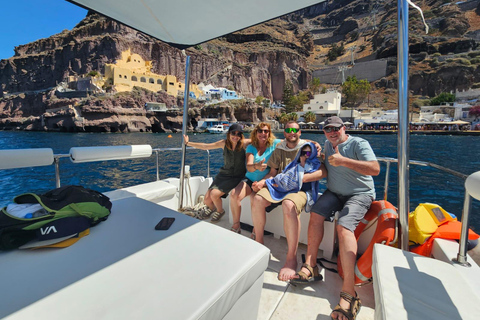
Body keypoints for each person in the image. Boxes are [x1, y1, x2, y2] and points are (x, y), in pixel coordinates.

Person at [291, 116, 380, 320]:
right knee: (315, 214)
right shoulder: (327, 145)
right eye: (327, 130)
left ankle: (350, 292)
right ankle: (311, 266)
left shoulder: (358, 143)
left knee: (344, 227)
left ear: (343, 128)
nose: (332, 132)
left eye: (335, 129)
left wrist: (344, 161)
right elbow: (323, 163)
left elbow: (375, 169)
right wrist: (315, 151)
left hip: (359, 193)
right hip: (334, 193)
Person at [250, 121, 324, 281]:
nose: (292, 132)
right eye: (288, 130)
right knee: (257, 198)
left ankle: (291, 257)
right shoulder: (279, 149)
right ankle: (259, 241)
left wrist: (299, 179)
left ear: (300, 132)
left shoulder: (308, 148)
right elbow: (272, 173)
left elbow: (321, 171)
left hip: (300, 189)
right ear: (284, 133)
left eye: (295, 130)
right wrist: (262, 182)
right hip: (279, 186)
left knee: (288, 204)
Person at [184, 123, 247, 223]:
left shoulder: (244, 144)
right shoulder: (224, 143)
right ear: (229, 133)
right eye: (233, 133)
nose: (236, 136)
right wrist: (188, 143)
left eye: (238, 134)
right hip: (223, 175)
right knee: (207, 200)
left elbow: (262, 140)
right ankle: (212, 208)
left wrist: (280, 141)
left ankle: (220, 211)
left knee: (214, 194)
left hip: (236, 176)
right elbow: (206, 146)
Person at [229, 122, 281, 233]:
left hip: (265, 181)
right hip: (250, 179)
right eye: (260, 131)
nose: (263, 133)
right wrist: (256, 166)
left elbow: (294, 141)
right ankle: (236, 224)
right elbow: (249, 166)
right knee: (234, 195)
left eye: (266, 131)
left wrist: (314, 143)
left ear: (269, 133)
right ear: (256, 132)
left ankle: (256, 231)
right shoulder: (251, 147)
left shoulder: (274, 144)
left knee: (254, 199)